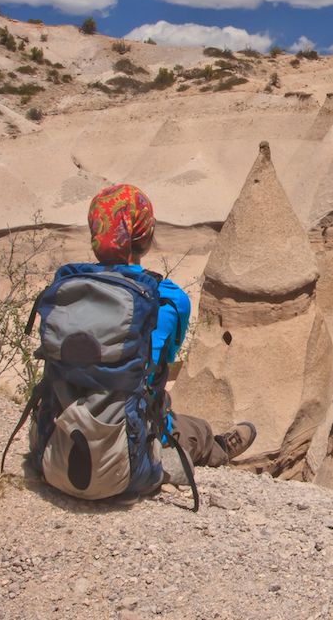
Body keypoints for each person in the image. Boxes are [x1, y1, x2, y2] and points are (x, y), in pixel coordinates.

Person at [86, 183, 255, 470]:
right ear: (146, 236)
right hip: (121, 449)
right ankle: (217, 451)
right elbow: (161, 361)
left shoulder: (67, 291)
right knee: (195, 429)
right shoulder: (167, 299)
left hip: (64, 437)